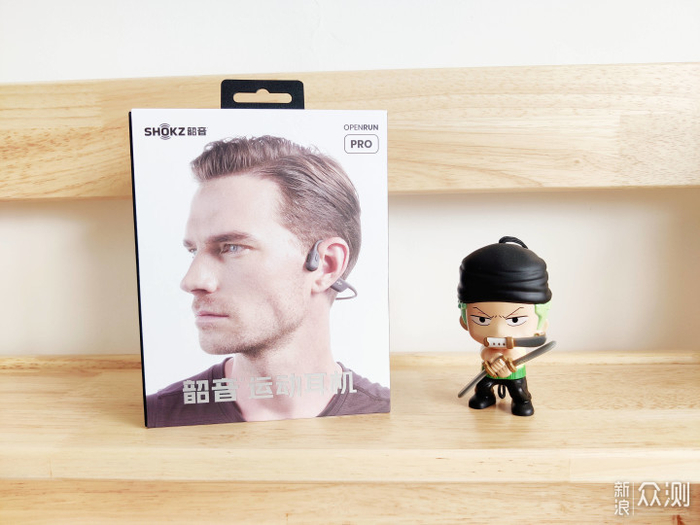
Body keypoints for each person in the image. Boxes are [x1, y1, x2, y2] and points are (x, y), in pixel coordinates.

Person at [146, 136, 389, 427]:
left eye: (232, 247)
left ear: (326, 265)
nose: (192, 281)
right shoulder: (158, 419)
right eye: (193, 251)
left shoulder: (385, 422)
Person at [457, 236, 552, 416]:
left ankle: (522, 401)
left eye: (515, 320)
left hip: (515, 372)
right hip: (489, 370)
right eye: (482, 319)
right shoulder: (489, 346)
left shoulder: (518, 347)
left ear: (541, 323)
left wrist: (511, 361)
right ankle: (486, 396)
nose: (499, 331)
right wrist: (491, 357)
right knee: (483, 386)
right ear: (464, 320)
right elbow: (485, 351)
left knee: (519, 390)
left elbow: (518, 354)